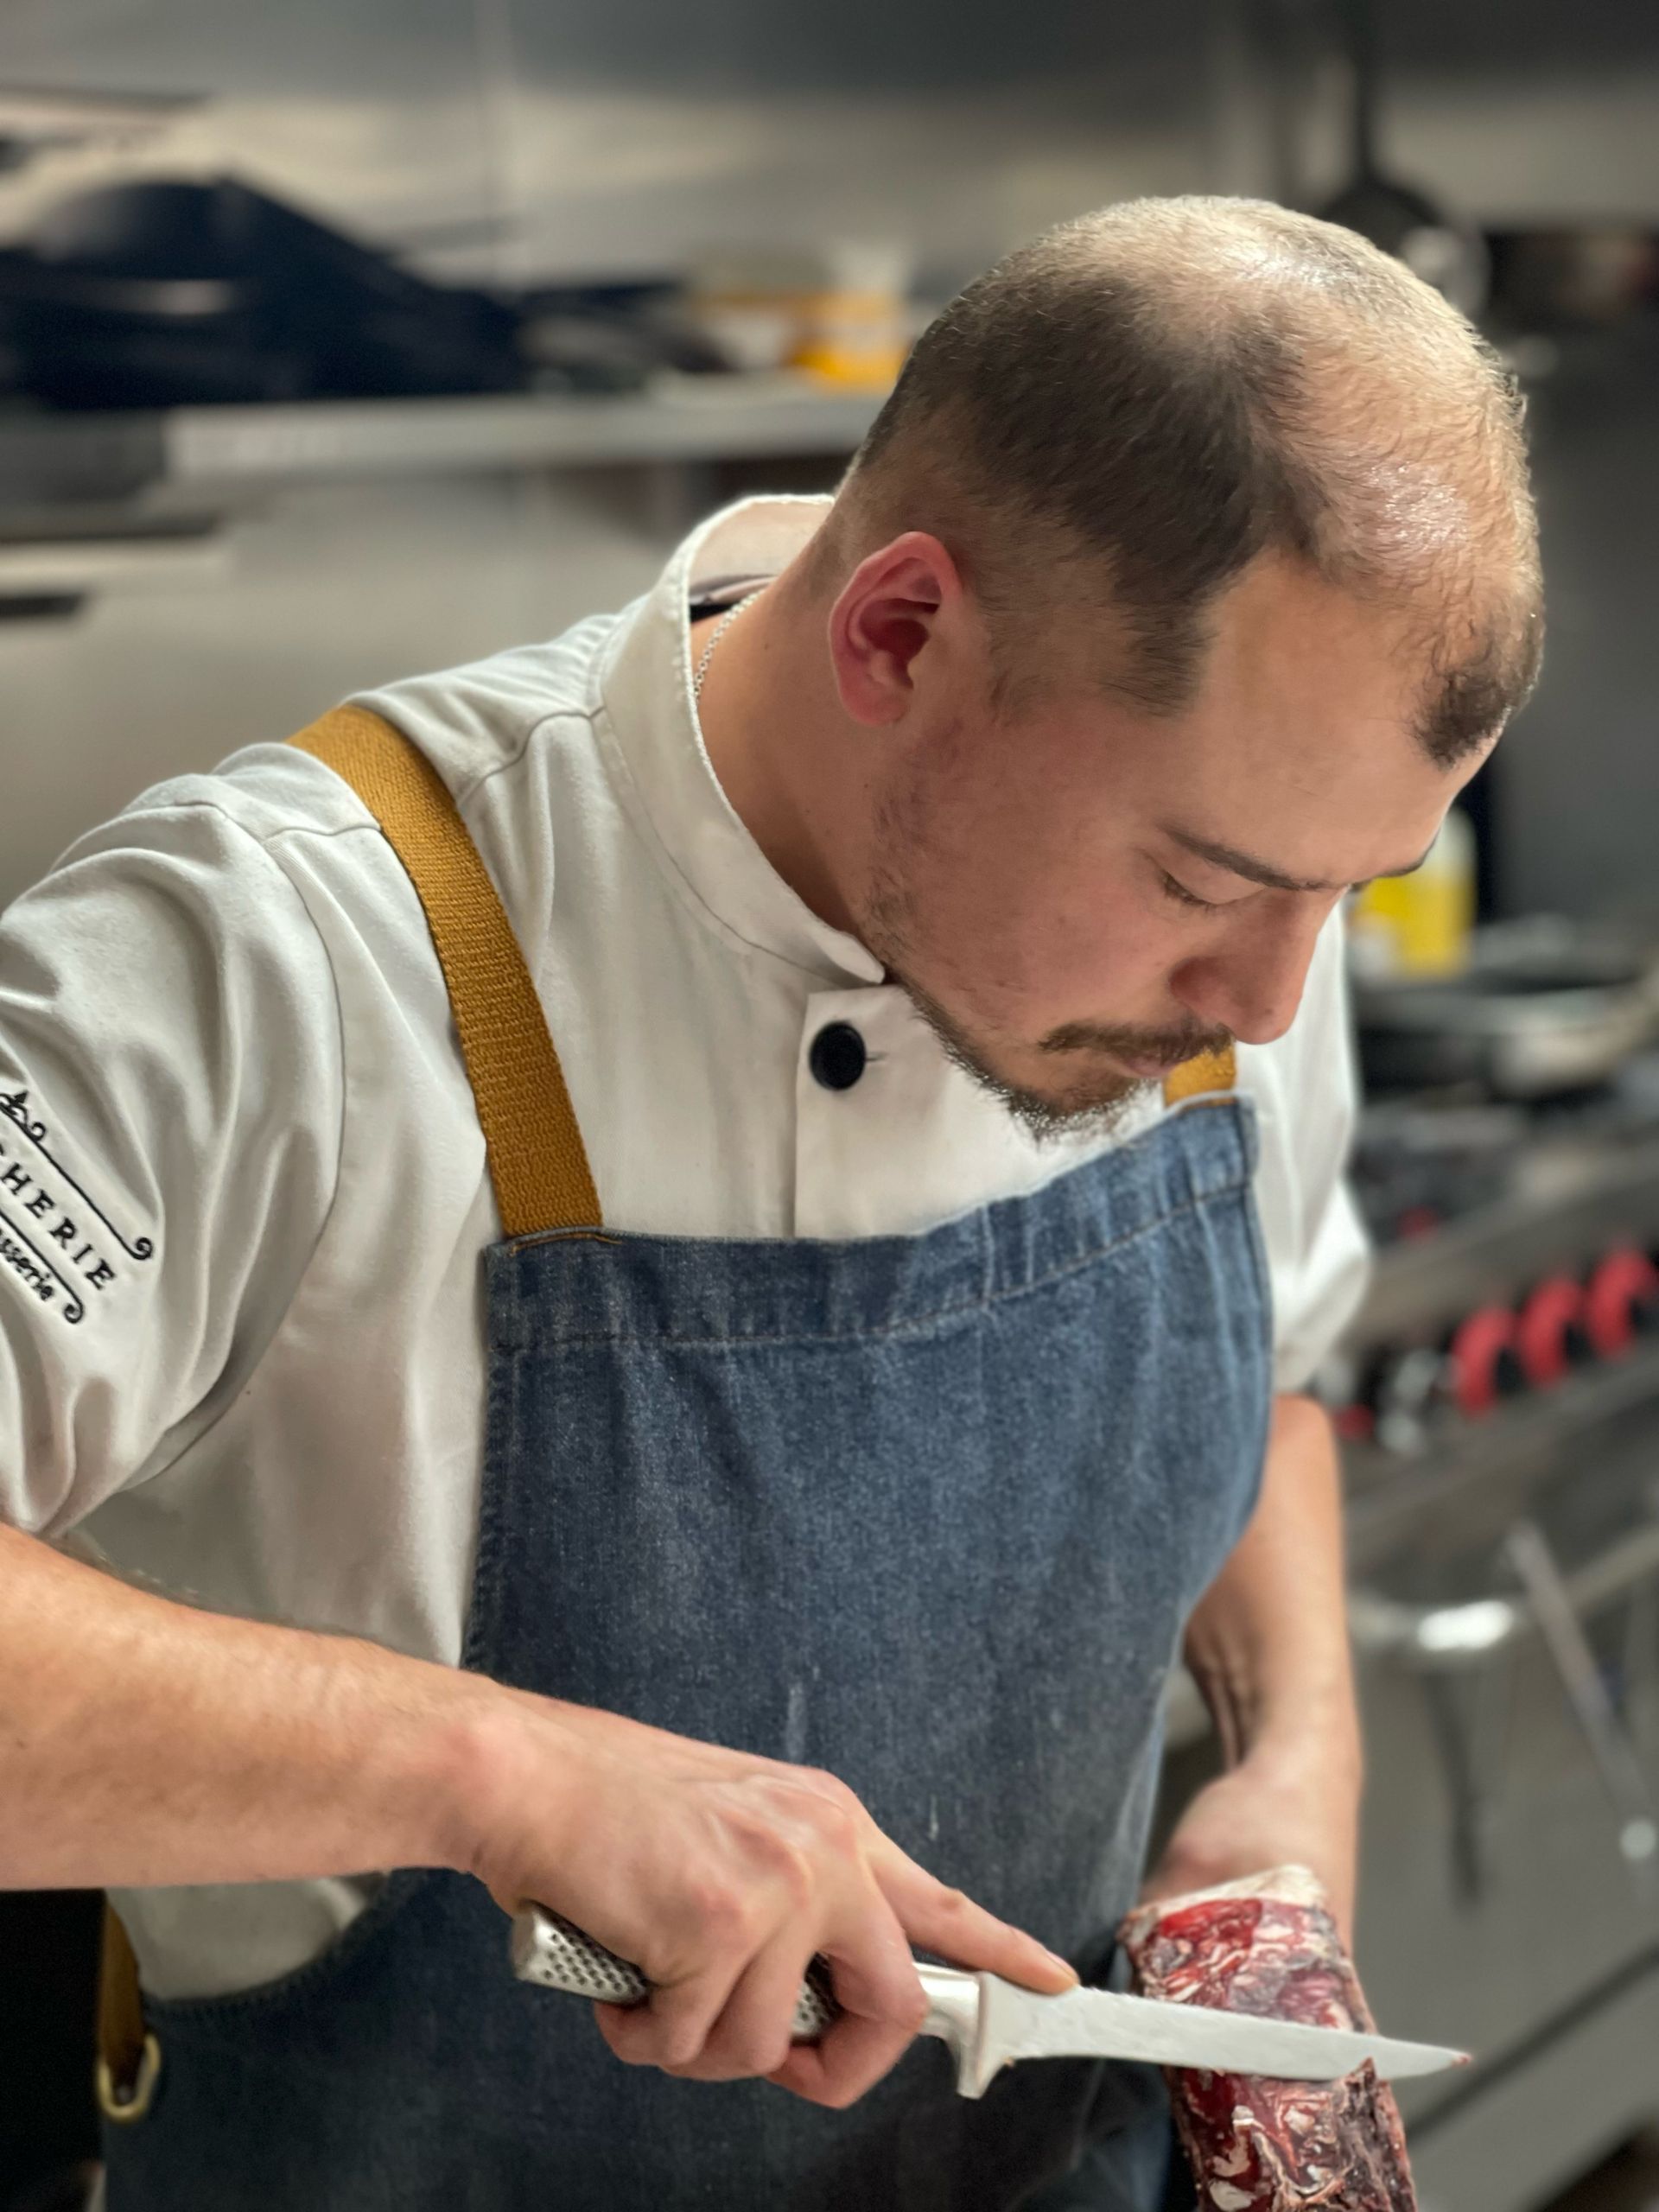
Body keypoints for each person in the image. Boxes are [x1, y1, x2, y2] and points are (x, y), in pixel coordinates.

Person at [0, 196, 1540, 2211]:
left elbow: (1271, 1373)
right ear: (899, 632)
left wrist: (1285, 1767)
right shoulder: (276, 960)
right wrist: (503, 1770)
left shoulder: (1238, 938)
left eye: (1340, 892)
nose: (1265, 1000)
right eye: (1204, 881)